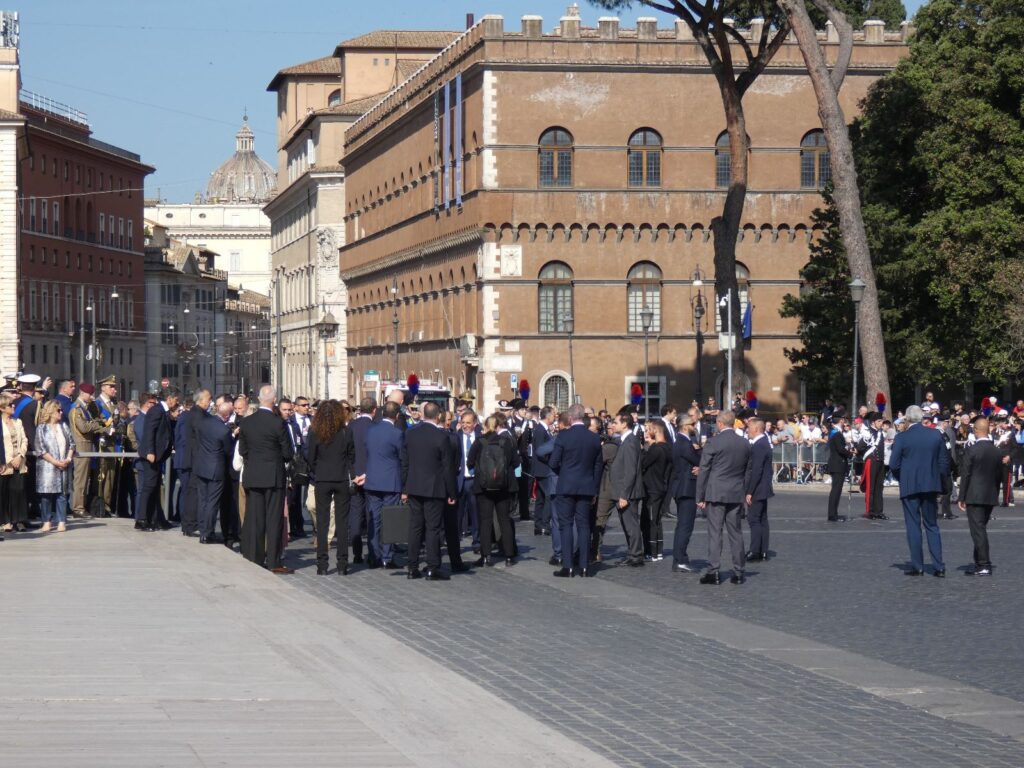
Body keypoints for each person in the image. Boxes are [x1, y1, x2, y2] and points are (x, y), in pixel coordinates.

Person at [238, 385, 294, 574]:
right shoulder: (278, 423)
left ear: (259, 399)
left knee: (255, 518)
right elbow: (288, 453)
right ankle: (273, 560)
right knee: (274, 519)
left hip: (253, 475)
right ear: (274, 400)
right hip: (274, 476)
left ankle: (254, 557)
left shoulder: (247, 422)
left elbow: (242, 450)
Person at [888, 405, 950, 577]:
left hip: (910, 485)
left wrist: (903, 477)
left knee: (913, 526)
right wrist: (938, 479)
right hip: (930, 484)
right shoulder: (935, 434)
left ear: (907, 419)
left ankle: (918, 566)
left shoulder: (902, 437)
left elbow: (893, 464)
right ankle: (939, 566)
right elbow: (944, 462)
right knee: (932, 525)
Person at [695, 410, 752, 585]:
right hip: (735, 492)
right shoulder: (744, 443)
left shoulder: (714, 442)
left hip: (716, 491)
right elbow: (747, 471)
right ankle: (739, 572)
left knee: (715, 533)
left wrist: (700, 495)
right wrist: (745, 491)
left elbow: (704, 469)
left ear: (720, 423)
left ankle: (714, 571)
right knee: (736, 533)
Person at [548, 403, 604, 577]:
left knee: (565, 525)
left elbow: (553, 462)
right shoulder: (594, 438)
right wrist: (594, 488)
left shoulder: (564, 436)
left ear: (570, 418)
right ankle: (585, 566)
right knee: (584, 525)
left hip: (566, 485)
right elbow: (598, 466)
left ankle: (568, 566)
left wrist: (564, 473)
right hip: (586, 486)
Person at [402, 402, 456, 580]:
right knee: (433, 528)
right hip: (434, 488)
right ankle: (432, 566)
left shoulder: (411, 433)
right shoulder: (441, 437)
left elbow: (405, 463)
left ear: (424, 414)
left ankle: (412, 566)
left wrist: (404, 487)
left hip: (414, 486)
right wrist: (452, 492)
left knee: (415, 527)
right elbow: (448, 468)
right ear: (439, 416)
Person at [307, 400, 355, 576]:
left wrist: (317, 470)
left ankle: (322, 564)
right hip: (341, 478)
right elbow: (351, 456)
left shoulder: (315, 433)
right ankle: (342, 564)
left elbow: (310, 457)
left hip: (322, 478)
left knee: (322, 522)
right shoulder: (345, 432)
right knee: (342, 523)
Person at [467, 412, 520, 567]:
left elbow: (470, 463)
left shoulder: (479, 442)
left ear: (485, 426)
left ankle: (485, 556)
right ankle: (509, 556)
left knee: (485, 521)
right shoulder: (506, 442)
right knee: (504, 520)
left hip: (483, 488)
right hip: (503, 487)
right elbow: (516, 462)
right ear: (497, 427)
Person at [957, 417, 1005, 577]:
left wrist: (961, 496)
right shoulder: (997, 451)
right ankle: (979, 563)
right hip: (990, 494)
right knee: (981, 529)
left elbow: (966, 474)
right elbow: (999, 476)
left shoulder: (972, 450)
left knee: (978, 531)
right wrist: (995, 492)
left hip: (974, 495)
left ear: (976, 431)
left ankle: (984, 564)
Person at [362, 400, 405, 569]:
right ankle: (387, 556)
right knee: (389, 519)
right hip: (390, 481)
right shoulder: (396, 433)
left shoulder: (371, 430)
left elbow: (367, 450)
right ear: (397, 415)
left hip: (373, 479)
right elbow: (402, 456)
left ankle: (374, 555)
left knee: (375, 519)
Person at [193, 389, 233, 545]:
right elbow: (228, 450)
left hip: (202, 465)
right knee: (212, 502)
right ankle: (208, 533)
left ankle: (202, 530)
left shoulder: (204, 422)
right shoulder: (224, 431)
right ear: (226, 415)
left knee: (202, 500)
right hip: (216, 469)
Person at [608, 410, 645, 568]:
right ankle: (632, 552)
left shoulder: (630, 442)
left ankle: (636, 555)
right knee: (627, 524)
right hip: (623, 491)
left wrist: (624, 495)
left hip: (627, 493)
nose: (613, 425)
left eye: (616, 422)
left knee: (631, 525)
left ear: (624, 424)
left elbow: (630, 471)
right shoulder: (626, 440)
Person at [136, 390, 175, 531]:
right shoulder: (157, 411)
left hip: (158, 456)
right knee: (148, 487)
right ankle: (141, 519)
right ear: (170, 399)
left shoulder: (162, 411)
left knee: (155, 486)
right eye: (176, 399)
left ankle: (156, 518)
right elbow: (149, 432)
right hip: (151, 456)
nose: (177, 403)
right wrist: (150, 451)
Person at [35, 399, 73, 533]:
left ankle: (61, 521)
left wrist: (67, 459)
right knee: (46, 496)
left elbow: (72, 444)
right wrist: (55, 462)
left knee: (62, 494)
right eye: (58, 410)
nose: (61, 412)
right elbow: (41, 449)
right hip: (47, 467)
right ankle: (46, 521)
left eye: (61, 410)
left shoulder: (64, 426)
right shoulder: (42, 428)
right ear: (51, 411)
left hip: (64, 465)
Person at [69, 383, 106, 520]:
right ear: (83, 393)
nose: (92, 397)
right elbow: (83, 427)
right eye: (90, 394)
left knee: (85, 480)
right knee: (80, 480)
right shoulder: (76, 409)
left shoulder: (85, 408)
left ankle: (81, 507)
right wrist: (97, 424)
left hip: (87, 445)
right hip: (81, 446)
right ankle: (78, 508)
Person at [671, 415, 701, 572]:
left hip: (682, 487)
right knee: (685, 526)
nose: (695, 426)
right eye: (692, 424)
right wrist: (701, 452)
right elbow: (698, 460)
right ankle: (680, 559)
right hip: (686, 489)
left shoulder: (683, 442)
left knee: (681, 525)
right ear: (684, 426)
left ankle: (678, 558)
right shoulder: (684, 443)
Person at [347, 397, 375, 564]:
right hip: (371, 476)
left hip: (355, 476)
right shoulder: (375, 427)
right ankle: (372, 552)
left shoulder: (351, 426)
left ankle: (357, 553)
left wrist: (354, 474)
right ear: (374, 410)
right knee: (371, 515)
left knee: (355, 515)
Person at [641, 419, 673, 560]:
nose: (647, 432)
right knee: (658, 520)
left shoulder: (656, 449)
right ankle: (658, 551)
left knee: (652, 520)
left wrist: (644, 448)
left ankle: (653, 552)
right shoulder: (668, 447)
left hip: (652, 488)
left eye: (649, 429)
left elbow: (643, 463)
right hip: (662, 486)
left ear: (655, 431)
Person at [744, 416, 773, 561]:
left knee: (754, 519)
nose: (747, 430)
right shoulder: (764, 442)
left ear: (755, 429)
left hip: (758, 488)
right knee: (762, 519)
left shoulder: (759, 445)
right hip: (763, 487)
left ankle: (755, 550)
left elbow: (756, 470)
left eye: (749, 428)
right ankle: (763, 550)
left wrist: (749, 491)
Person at [590, 418, 619, 562]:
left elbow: (596, 462)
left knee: (599, 520)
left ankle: (595, 551)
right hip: (618, 486)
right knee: (629, 523)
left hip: (607, 488)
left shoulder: (609, 447)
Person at [1, 393, 29, 533]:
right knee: (4, 492)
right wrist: (8, 459)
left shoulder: (18, 421)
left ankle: (18, 520)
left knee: (18, 490)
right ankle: (6, 521)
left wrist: (20, 455)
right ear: (2, 408)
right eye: (10, 405)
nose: (14, 407)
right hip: (4, 463)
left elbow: (24, 440)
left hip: (19, 461)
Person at [455, 410, 481, 551]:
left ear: (475, 424)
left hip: (475, 480)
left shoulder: (480, 437)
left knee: (476, 512)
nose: (465, 426)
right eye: (463, 422)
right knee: (458, 514)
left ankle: (477, 542)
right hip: (460, 480)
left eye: (468, 423)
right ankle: (456, 542)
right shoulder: (455, 437)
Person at [530, 406, 557, 536]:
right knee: (548, 497)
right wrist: (552, 461)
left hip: (542, 469)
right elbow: (541, 451)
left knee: (540, 498)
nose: (555, 417)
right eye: (553, 415)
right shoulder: (540, 430)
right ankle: (544, 525)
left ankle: (538, 524)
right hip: (543, 469)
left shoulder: (544, 429)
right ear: (548, 416)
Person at [825, 417, 852, 522]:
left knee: (837, 490)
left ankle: (834, 513)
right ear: (840, 421)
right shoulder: (836, 433)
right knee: (836, 491)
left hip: (837, 464)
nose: (844, 422)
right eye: (843, 420)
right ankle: (832, 515)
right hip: (837, 464)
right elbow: (840, 449)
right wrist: (850, 454)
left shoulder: (835, 432)